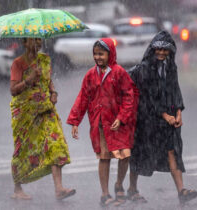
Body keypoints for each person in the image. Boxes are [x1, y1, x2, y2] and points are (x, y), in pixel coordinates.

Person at [128, 31, 197, 204]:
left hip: (168, 118)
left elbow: (175, 90)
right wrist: (165, 115)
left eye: (165, 50)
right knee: (140, 153)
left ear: (170, 51)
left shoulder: (170, 67)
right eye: (158, 49)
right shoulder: (145, 69)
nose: (161, 53)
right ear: (153, 49)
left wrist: (179, 112)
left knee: (172, 151)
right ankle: (132, 189)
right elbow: (149, 96)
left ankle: (181, 190)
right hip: (147, 119)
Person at [67, 38, 137, 207]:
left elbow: (129, 97)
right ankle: (105, 194)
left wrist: (121, 117)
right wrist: (75, 121)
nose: (98, 57)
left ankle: (119, 183)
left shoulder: (119, 73)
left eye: (101, 54)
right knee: (104, 158)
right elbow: (82, 98)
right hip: (101, 124)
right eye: (95, 54)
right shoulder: (90, 75)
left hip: (120, 124)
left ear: (110, 54)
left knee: (125, 156)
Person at [10, 38, 75, 200]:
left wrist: (53, 93)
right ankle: (17, 189)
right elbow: (13, 90)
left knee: (55, 143)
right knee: (23, 149)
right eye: (33, 40)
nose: (37, 43)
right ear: (25, 43)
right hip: (25, 113)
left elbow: (48, 82)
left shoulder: (44, 60)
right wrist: (29, 80)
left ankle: (59, 188)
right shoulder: (18, 63)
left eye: (39, 39)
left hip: (45, 109)